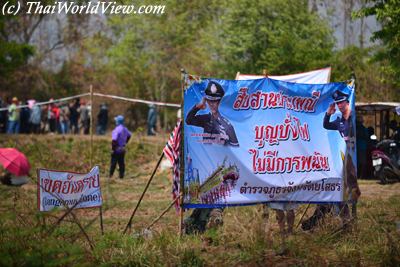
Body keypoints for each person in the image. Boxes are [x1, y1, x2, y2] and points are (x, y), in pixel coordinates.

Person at [323, 90, 360, 223]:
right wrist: (328, 113)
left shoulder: (354, 118)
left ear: (347, 101)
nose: (339, 105)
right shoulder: (339, 121)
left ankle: (354, 215)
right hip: (343, 158)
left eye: (341, 102)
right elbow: (326, 125)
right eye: (337, 103)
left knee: (353, 186)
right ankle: (345, 217)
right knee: (342, 186)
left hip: (353, 157)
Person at [186, 81, 239, 146]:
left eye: (215, 101)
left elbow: (235, 150)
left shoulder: (228, 126)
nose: (211, 104)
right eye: (209, 100)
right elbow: (188, 121)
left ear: (220, 101)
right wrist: (197, 106)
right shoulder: (206, 119)